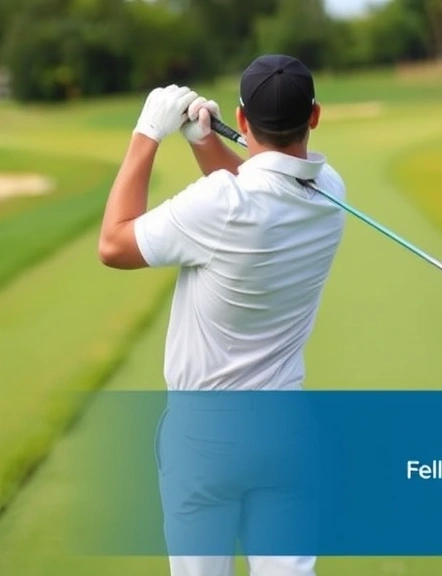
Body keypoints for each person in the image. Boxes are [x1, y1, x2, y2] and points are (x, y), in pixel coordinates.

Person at [97, 54, 344, 576]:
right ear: (315, 116)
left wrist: (148, 132)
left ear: (244, 118)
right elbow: (257, 192)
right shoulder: (332, 192)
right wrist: (204, 141)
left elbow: (114, 243)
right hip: (287, 428)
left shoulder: (221, 203)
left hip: (204, 435)